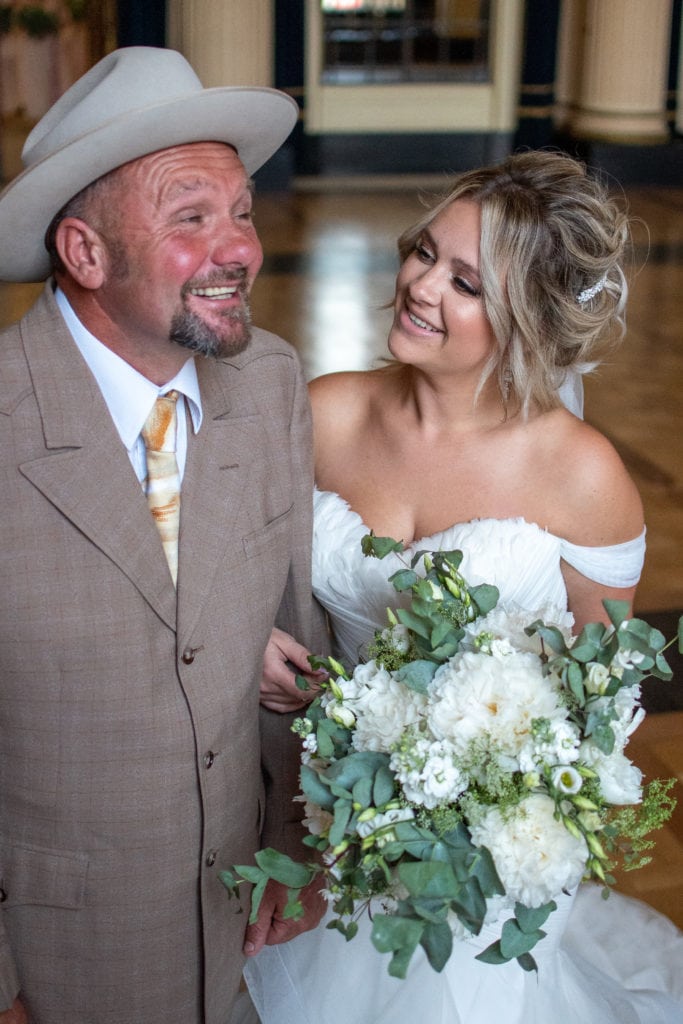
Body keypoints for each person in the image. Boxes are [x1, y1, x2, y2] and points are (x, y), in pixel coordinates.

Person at [252, 151, 683, 1022]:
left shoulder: (581, 476)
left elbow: (599, 697)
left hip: (484, 852)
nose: (418, 286)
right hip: (325, 815)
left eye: (465, 283)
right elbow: (230, 576)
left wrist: (482, 796)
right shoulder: (325, 414)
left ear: (525, 319)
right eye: (423, 253)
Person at [0, 46, 327, 1024]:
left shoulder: (269, 383)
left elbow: (289, 635)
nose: (238, 248)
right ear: (85, 252)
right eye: (190, 217)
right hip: (57, 962)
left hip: (235, 932)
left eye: (239, 211)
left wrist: (295, 845)